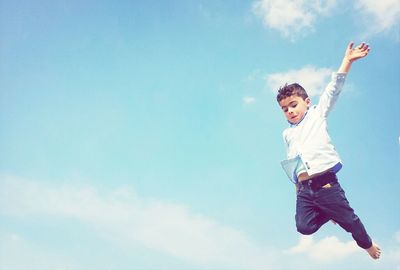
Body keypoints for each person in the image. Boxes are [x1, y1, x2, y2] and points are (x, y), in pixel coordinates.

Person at [277, 41, 381, 259]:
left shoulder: (317, 114)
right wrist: (296, 185)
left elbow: (333, 90)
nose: (290, 111)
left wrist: (347, 61)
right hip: (304, 189)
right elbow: (293, 159)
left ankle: (368, 244)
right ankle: (327, 212)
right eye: (285, 109)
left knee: (350, 221)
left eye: (294, 105)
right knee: (304, 227)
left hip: (325, 184)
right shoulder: (287, 133)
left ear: (307, 102)